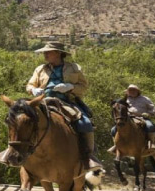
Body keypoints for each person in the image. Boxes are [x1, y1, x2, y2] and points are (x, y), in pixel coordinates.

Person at [25, 41, 103, 172]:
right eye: (45, 52)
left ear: (58, 53)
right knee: (21, 119)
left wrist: (70, 87)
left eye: (48, 52)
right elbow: (29, 85)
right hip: (43, 102)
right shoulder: (40, 69)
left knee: (85, 123)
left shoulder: (74, 68)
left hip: (67, 102)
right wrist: (33, 90)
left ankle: (89, 157)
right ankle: (18, 152)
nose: (45, 54)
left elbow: (83, 87)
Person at [109, 84, 155, 154]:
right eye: (130, 90)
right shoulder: (125, 100)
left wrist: (148, 114)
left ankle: (151, 144)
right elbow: (117, 105)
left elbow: (153, 109)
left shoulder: (145, 99)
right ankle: (116, 145)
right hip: (127, 119)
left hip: (142, 118)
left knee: (150, 126)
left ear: (138, 91)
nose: (132, 91)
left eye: (134, 90)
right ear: (127, 92)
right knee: (113, 130)